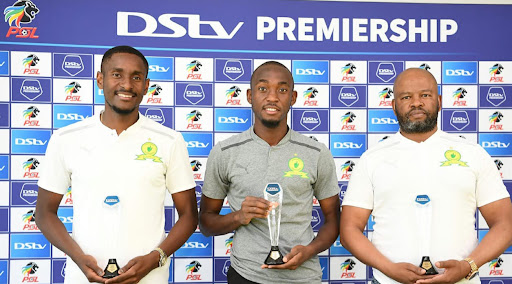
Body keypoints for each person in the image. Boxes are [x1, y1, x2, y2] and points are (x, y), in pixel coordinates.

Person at [35, 46, 198, 284]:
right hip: (83, 277)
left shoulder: (169, 141)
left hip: (150, 278)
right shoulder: (66, 138)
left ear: (146, 85)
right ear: (100, 79)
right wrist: (79, 258)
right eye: (117, 74)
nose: (127, 84)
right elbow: (44, 213)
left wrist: (155, 258)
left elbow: (189, 216)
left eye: (136, 77)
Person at [340, 68, 512, 284]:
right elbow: (349, 230)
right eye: (406, 97)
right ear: (393, 106)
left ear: (439, 101)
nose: (416, 103)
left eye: (425, 95)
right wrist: (390, 269)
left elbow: (505, 224)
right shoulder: (372, 159)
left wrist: (467, 267)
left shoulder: (473, 154)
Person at [199, 61, 340, 283]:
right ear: (249, 95)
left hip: (303, 277)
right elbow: (206, 223)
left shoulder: (316, 153)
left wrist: (310, 250)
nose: (272, 97)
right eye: (263, 89)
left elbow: (333, 219)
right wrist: (239, 217)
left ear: (293, 98)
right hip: (246, 275)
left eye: (282, 90)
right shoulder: (225, 152)